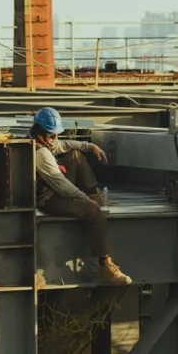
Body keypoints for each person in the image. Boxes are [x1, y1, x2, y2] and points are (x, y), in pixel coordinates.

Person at [31, 107, 131, 286]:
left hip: (55, 189)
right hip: (49, 198)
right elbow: (62, 186)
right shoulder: (40, 153)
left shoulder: (47, 143)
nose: (55, 140)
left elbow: (66, 145)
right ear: (40, 134)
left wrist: (90, 146)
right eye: (51, 136)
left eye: (56, 135)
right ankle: (106, 265)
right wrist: (85, 200)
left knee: (76, 155)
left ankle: (96, 196)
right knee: (94, 211)